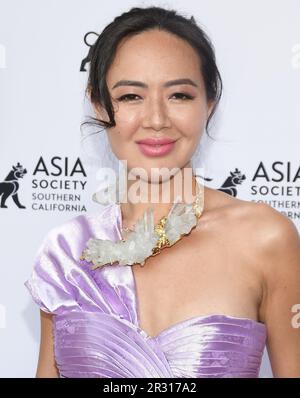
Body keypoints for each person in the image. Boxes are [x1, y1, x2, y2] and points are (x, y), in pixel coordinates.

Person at [25, 6, 300, 378]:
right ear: (99, 103)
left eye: (180, 96)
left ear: (209, 103)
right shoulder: (67, 252)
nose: (156, 119)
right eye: (130, 97)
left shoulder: (266, 238)